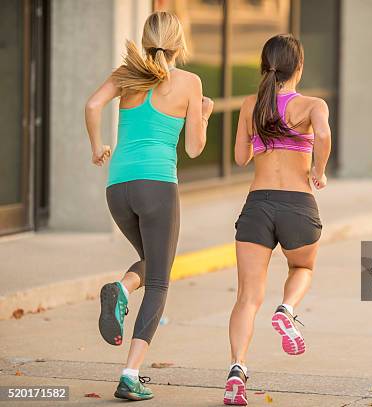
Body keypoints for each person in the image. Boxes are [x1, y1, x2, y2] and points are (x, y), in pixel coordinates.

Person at [84, 11, 213, 401]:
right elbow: (193, 147)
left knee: (154, 263)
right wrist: (202, 115)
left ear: (145, 40)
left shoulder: (127, 74)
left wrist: (96, 148)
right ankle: (130, 373)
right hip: (157, 187)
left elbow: (92, 106)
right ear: (180, 43)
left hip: (117, 188)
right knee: (159, 280)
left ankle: (122, 289)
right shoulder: (189, 82)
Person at [225, 34, 332, 406]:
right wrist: (318, 169)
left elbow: (240, 158)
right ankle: (287, 310)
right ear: (298, 67)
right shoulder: (312, 104)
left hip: (257, 205)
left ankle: (237, 369)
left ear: (264, 67)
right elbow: (323, 133)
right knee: (302, 266)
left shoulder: (250, 105)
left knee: (247, 298)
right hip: (298, 205)